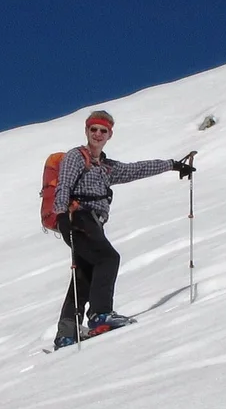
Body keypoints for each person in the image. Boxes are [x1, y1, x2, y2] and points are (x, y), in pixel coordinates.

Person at [51, 109, 194, 348]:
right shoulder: (76, 157)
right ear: (86, 130)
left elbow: (137, 169)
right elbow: (63, 185)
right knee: (108, 258)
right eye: (93, 129)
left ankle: (66, 333)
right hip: (78, 218)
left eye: (103, 131)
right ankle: (100, 314)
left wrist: (172, 165)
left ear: (109, 135)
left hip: (92, 221)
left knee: (83, 275)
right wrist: (61, 216)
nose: (97, 134)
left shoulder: (107, 167)